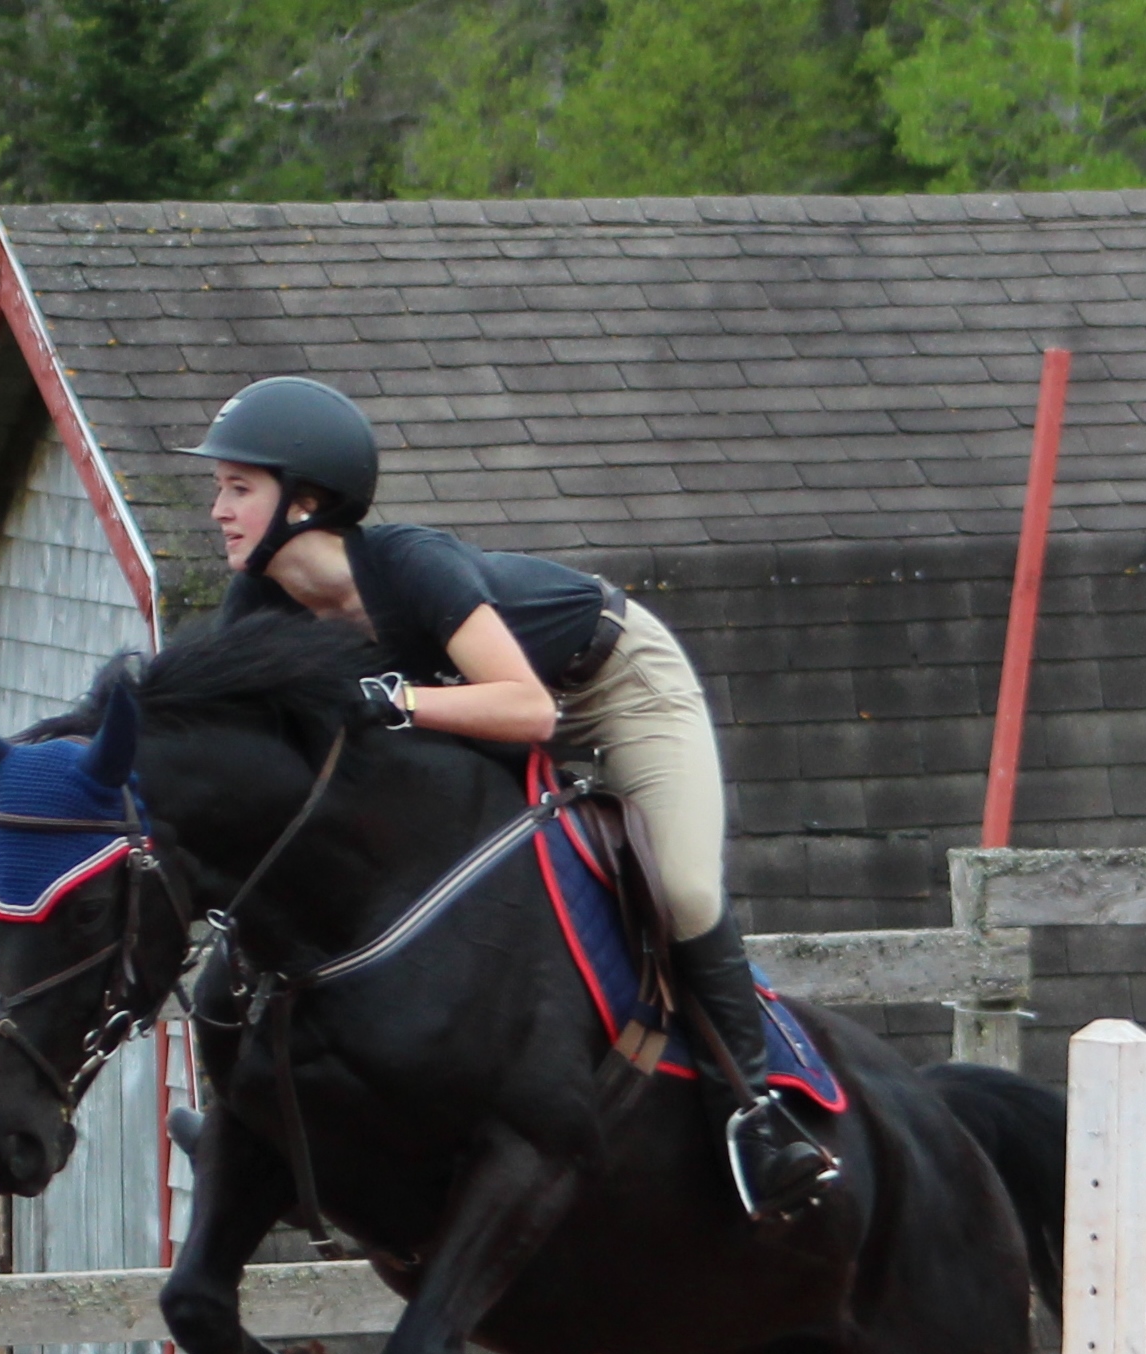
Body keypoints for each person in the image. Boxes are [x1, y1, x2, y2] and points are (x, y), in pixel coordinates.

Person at [194, 374, 837, 1220]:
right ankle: (248, 1125)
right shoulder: (257, 603)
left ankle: (753, 1115)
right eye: (220, 489)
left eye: (239, 488)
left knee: (682, 888)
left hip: (613, 686)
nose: (218, 510)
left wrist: (394, 698)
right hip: (473, 716)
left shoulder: (409, 564)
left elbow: (530, 710)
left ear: (305, 502)